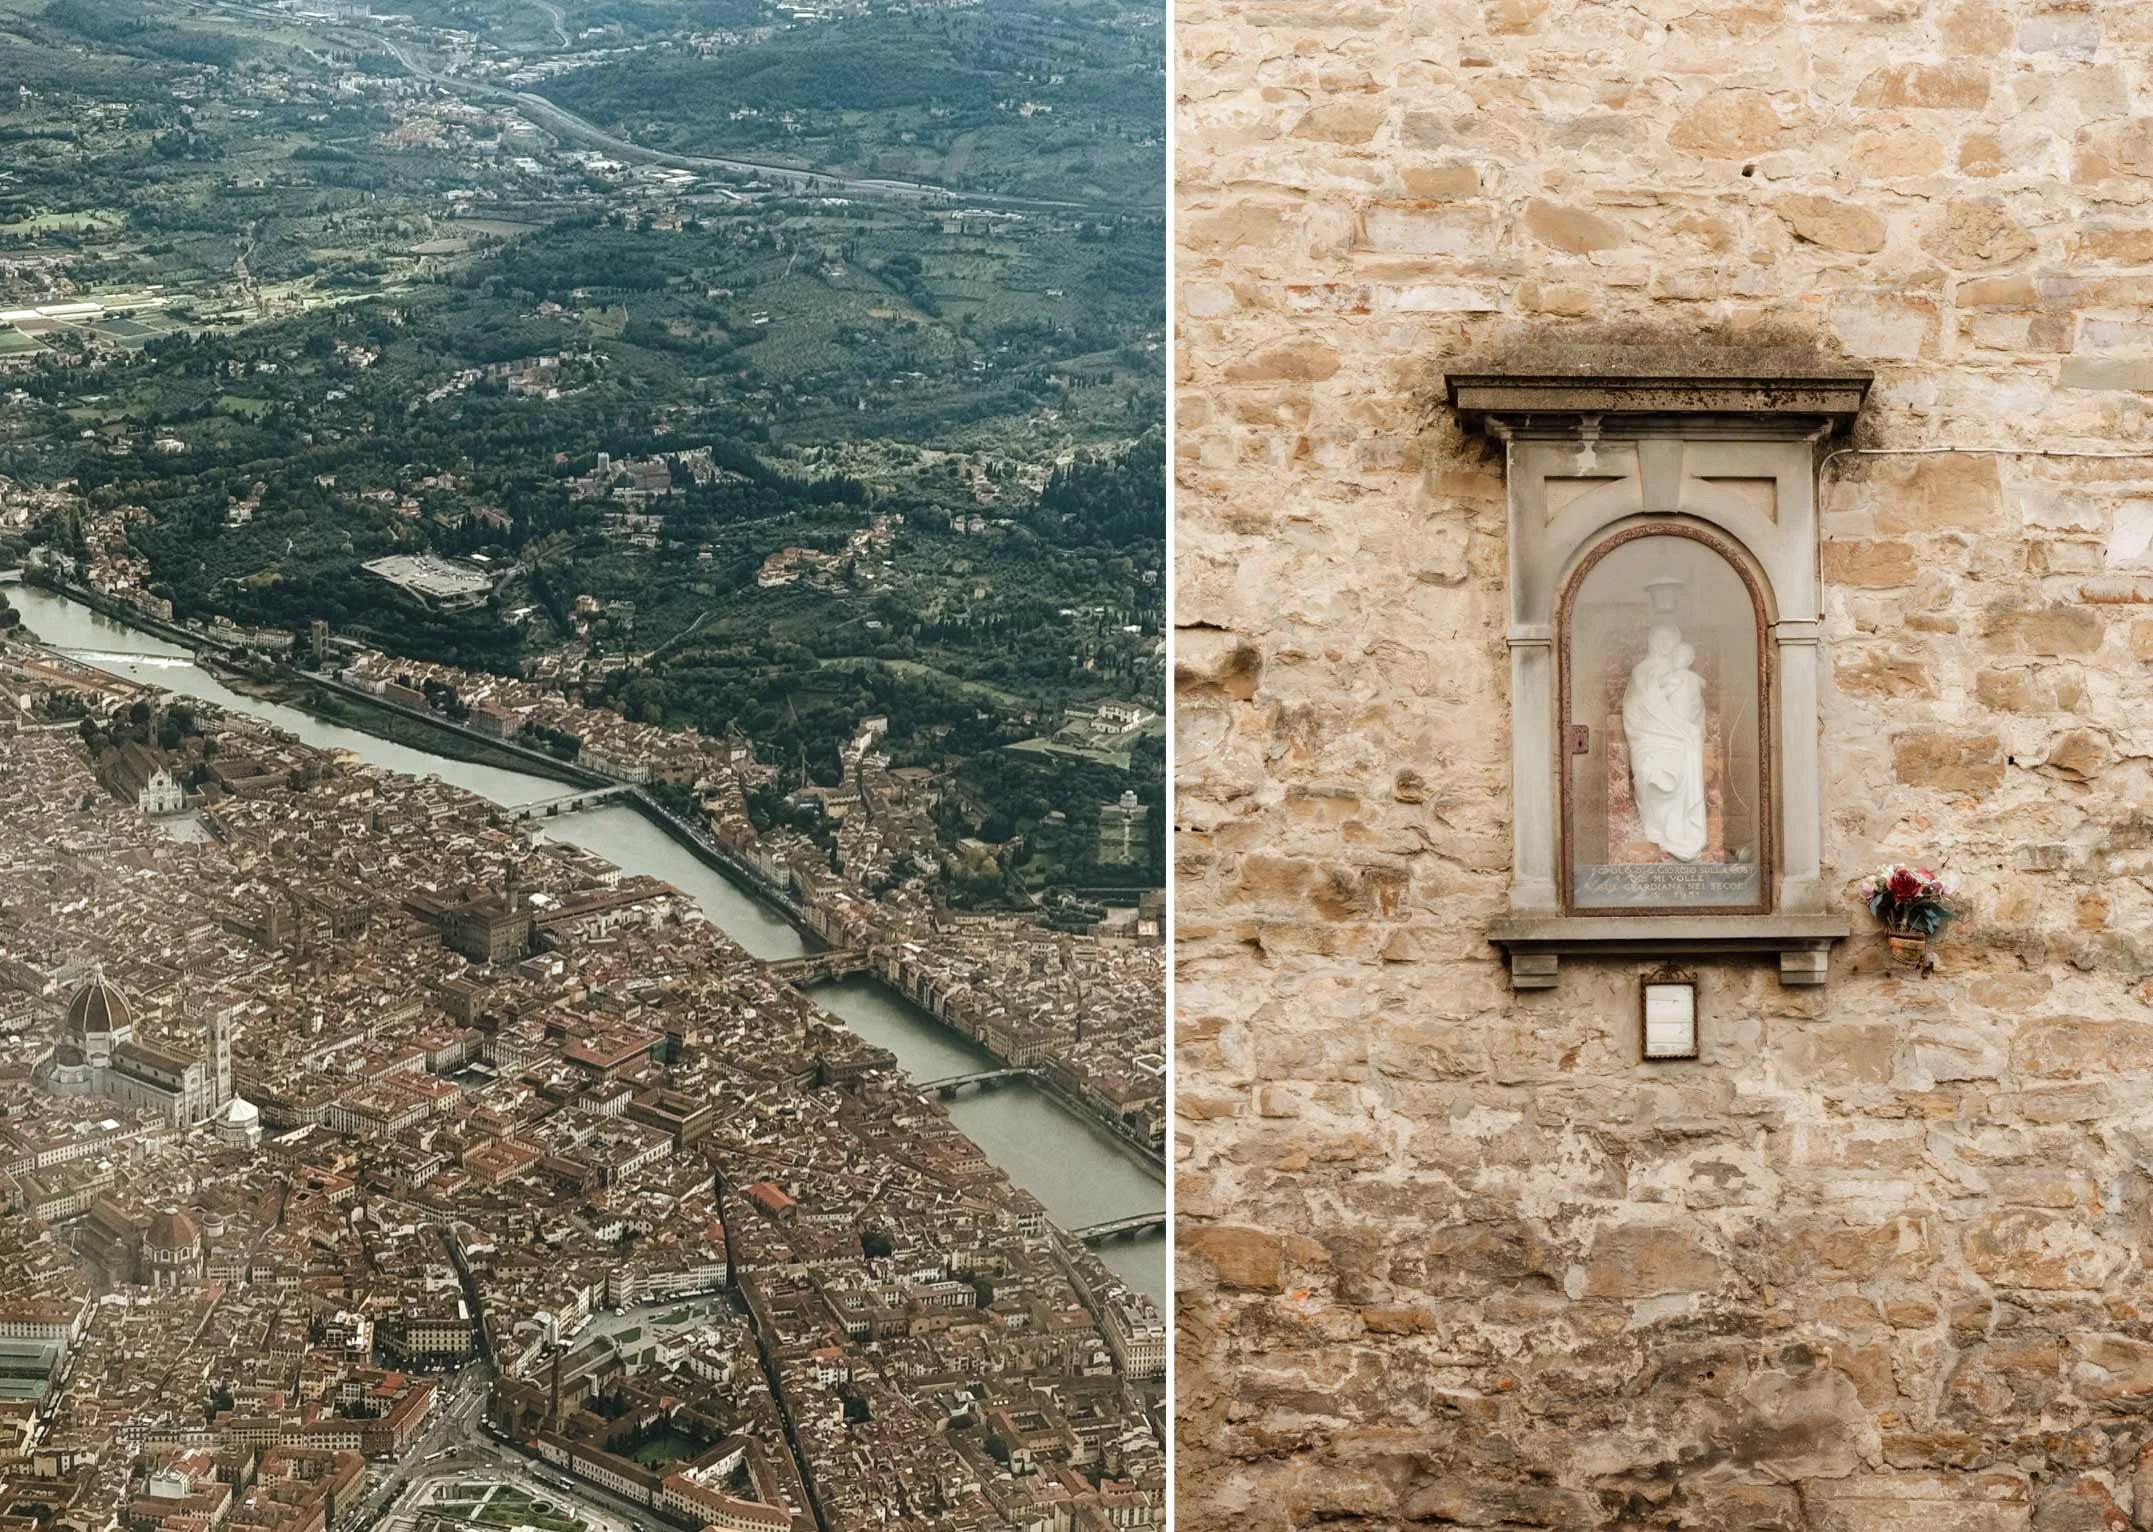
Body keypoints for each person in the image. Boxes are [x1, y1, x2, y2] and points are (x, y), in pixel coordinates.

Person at [1621, 624, 1708, 861]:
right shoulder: (1642, 671)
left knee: (1683, 762)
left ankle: (1678, 829)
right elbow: (1635, 708)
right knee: (1650, 772)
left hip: (1679, 737)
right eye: (1660, 639)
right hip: (1648, 736)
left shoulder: (1684, 675)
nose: (1665, 645)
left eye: (1670, 640)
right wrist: (1668, 722)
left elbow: (1695, 707)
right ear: (1651, 641)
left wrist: (1686, 727)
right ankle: (1658, 828)